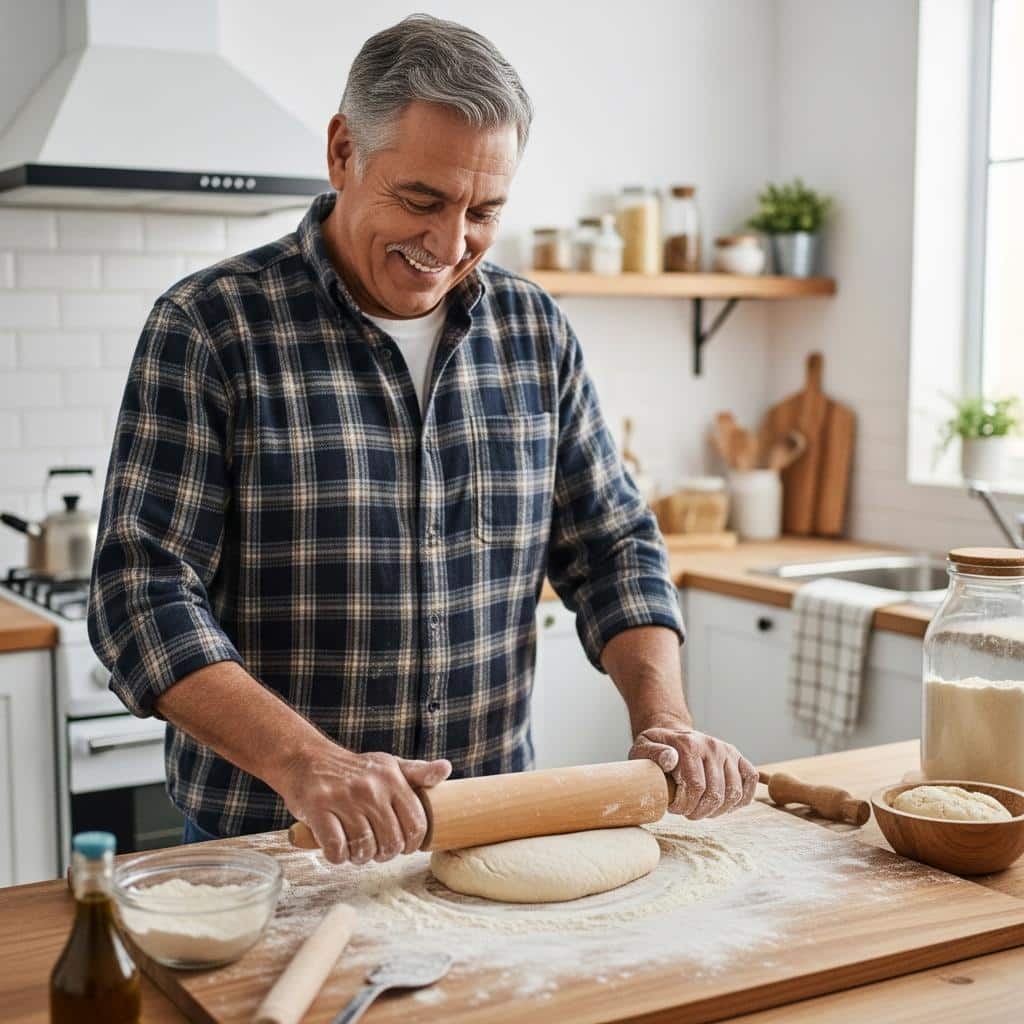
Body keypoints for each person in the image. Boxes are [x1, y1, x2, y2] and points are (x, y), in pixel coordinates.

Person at [88, 14, 757, 865]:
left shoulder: (532, 328)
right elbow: (138, 592)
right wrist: (311, 764)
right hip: (274, 841)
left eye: (484, 211)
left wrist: (665, 719)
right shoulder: (212, 326)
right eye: (421, 200)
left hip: (493, 831)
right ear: (342, 154)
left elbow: (613, 546)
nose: (448, 246)